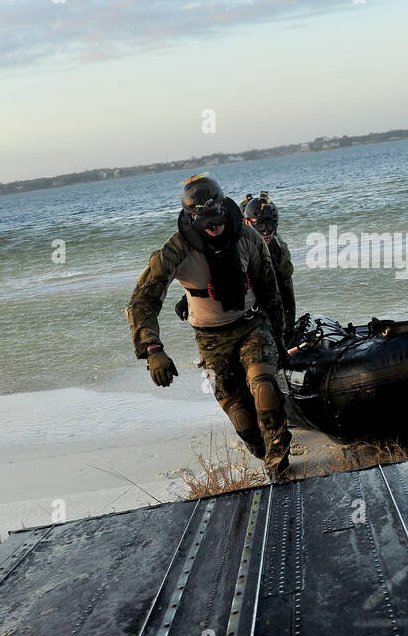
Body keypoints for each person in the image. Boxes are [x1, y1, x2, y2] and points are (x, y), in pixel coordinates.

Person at [127, 174, 293, 479]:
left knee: (264, 386)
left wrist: (280, 339)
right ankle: (262, 449)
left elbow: (270, 288)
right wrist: (152, 349)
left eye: (216, 217)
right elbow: (142, 300)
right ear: (191, 218)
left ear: (224, 207)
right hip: (210, 339)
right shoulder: (176, 250)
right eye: (204, 220)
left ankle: (279, 463)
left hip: (251, 325)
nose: (213, 226)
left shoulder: (247, 237)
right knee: (242, 418)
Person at [242, 192, 296, 338]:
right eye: (259, 224)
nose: (266, 231)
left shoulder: (278, 247)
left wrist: (287, 328)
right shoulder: (239, 246)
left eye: (271, 224)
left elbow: (286, 292)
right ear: (247, 223)